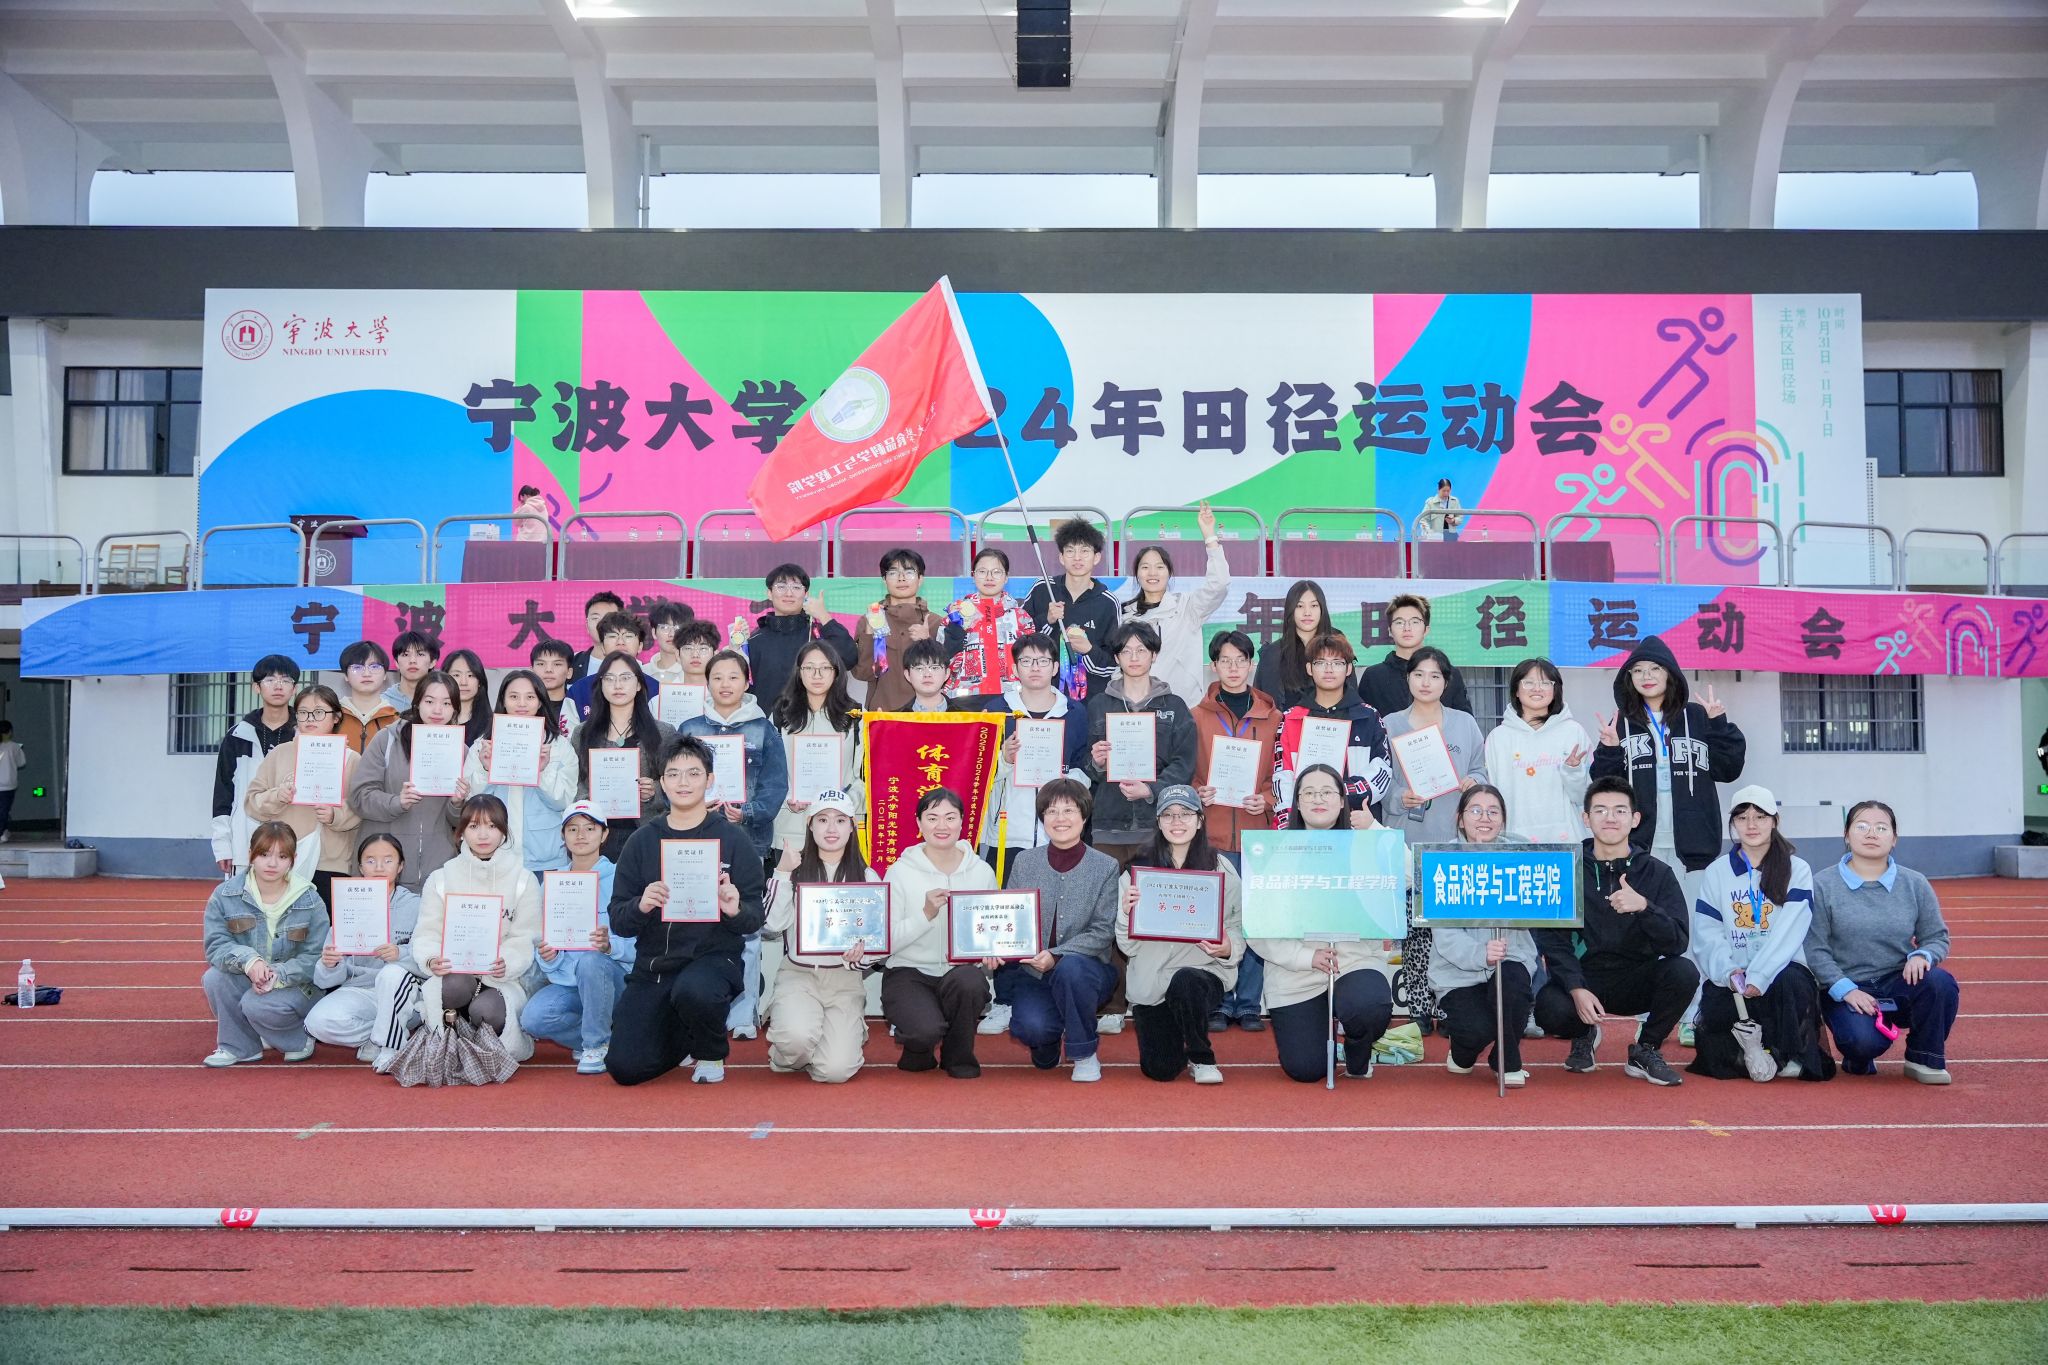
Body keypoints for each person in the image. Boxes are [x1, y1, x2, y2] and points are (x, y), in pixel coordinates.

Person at [606, 735, 767, 1086]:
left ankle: (710, 1051)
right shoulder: (642, 841)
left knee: (696, 990)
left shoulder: (733, 840)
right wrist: (641, 904)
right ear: (662, 783)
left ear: (710, 780)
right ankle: (683, 1036)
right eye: (673, 774)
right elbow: (619, 919)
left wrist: (735, 909)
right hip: (654, 968)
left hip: (713, 962)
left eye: (694, 773)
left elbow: (755, 917)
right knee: (625, 1068)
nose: (683, 782)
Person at [1534, 777, 1698, 1087]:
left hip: (1636, 979)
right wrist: (1575, 987)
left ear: (1635, 819)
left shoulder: (1658, 873)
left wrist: (1644, 907)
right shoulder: (1565, 870)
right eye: (1600, 810)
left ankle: (1645, 1048)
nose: (1610, 818)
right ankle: (1584, 1034)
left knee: (1683, 972)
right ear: (1586, 818)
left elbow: (1677, 941)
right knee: (1549, 1009)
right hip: (1585, 978)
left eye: (1620, 811)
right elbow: (1553, 942)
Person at [1249, 765, 1395, 1082]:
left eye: (1327, 792)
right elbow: (1258, 929)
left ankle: (1357, 1049)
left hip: (1354, 962)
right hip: (1295, 974)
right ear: (1297, 803)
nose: (1318, 799)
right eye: (1309, 793)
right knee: (1306, 1069)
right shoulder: (1274, 852)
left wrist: (1374, 828)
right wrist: (1306, 957)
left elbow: (1408, 875)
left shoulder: (1365, 844)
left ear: (1342, 800)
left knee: (1369, 1006)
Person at [680, 647, 791, 1040]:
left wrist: (745, 813)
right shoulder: (690, 727)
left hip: (748, 842)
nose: (725, 684)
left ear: (747, 682)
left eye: (733, 677)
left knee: (747, 931)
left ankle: (744, 1013)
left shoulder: (764, 729)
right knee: (695, 927)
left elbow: (776, 786)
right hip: (695, 843)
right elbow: (675, 780)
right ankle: (702, 1009)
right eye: (717, 677)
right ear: (707, 682)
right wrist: (695, 805)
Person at [1807, 800, 1958, 1084]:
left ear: (1894, 838)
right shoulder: (1822, 884)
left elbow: (1936, 937)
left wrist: (1922, 955)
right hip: (1847, 985)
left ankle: (1922, 1057)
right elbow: (1815, 949)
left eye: (1881, 828)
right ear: (1846, 835)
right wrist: (1846, 990)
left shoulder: (1915, 883)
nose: (1871, 834)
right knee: (1862, 1041)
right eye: (1862, 826)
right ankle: (1858, 1055)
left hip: (1897, 981)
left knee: (1940, 983)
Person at [1688, 786, 1832, 1083]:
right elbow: (1707, 931)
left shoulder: (1796, 869)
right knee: (1716, 1039)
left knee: (1791, 983)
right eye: (1742, 818)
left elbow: (1790, 931)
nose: (1751, 825)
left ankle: (1788, 1054)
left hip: (1780, 972)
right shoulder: (1717, 872)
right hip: (1735, 975)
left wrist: (1760, 975)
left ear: (1775, 821)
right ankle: (1753, 1054)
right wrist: (1728, 971)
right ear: (1733, 823)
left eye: (1760, 817)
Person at [1591, 634, 1746, 904]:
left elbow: (1728, 770)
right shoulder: (1620, 724)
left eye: (1655, 668)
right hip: (1639, 846)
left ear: (1670, 673)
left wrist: (1719, 725)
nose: (1646, 676)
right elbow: (1604, 788)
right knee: (1646, 920)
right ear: (1629, 678)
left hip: (1694, 848)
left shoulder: (1697, 716)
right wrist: (1610, 751)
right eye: (1638, 670)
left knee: (1696, 923)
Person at [1383, 645, 1487, 1034]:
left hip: (1454, 842)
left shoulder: (1464, 723)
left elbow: (1481, 769)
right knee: (1415, 930)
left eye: (1435, 676)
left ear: (1446, 682)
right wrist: (1400, 797)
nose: (1426, 682)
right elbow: (1380, 782)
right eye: (1418, 674)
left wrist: (1474, 781)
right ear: (1407, 679)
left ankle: (1449, 1004)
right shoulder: (1390, 724)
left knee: (1452, 927)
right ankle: (1419, 1006)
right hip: (1409, 840)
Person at [1116, 785, 1245, 1084]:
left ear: (1200, 820)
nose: (1177, 822)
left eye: (1185, 813)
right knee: (1160, 1070)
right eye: (1168, 815)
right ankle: (1177, 1033)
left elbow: (1239, 925)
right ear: (1158, 822)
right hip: (1152, 982)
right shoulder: (1137, 871)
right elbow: (1127, 947)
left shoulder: (1220, 868)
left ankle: (1201, 1056)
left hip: (1201, 973)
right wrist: (1125, 914)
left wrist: (1229, 947)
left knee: (1186, 981)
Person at [1001, 778, 1122, 1082]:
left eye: (1069, 810)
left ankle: (1084, 1052)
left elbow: (1102, 931)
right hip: (1033, 972)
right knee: (1032, 1029)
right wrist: (995, 947)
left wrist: (1055, 955)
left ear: (1084, 816)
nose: (1060, 818)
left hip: (1087, 971)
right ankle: (1050, 1038)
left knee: (1071, 970)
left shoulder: (1105, 866)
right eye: (1051, 811)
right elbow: (1009, 918)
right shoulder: (1025, 861)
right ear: (1042, 818)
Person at [408, 794, 543, 1067]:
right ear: (461, 832)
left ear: (504, 831)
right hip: (455, 973)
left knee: (486, 1011)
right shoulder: (441, 878)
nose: (483, 835)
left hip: (502, 979)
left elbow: (525, 936)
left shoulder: (523, 879)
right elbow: (427, 932)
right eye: (473, 826)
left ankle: (482, 1044)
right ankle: (451, 1040)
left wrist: (507, 962)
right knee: (454, 986)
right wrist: (432, 959)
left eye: (492, 826)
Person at [1191, 630, 1279, 1032]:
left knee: (1255, 919)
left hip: (1256, 834)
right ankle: (1218, 1002)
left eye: (1240, 660)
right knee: (1216, 919)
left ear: (1251, 664)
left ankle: (1248, 1004)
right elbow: (1185, 772)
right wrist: (1197, 792)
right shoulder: (1196, 716)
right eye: (1224, 660)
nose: (1233, 667)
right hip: (1212, 835)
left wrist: (1267, 799)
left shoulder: (1274, 717)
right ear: (1213, 665)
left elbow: (1283, 774)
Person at [762, 790, 880, 1084]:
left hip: (844, 981)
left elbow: (877, 943)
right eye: (823, 820)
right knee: (795, 1041)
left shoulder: (867, 877)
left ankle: (829, 1038)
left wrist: (862, 955)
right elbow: (772, 925)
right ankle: (788, 1047)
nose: (831, 828)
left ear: (852, 827)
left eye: (840, 820)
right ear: (810, 825)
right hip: (798, 975)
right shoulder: (794, 869)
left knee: (835, 1071)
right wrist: (781, 873)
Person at [881, 786, 998, 1077]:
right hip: (909, 972)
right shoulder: (899, 872)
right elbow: (886, 941)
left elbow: (993, 928)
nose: (942, 826)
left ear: (962, 822)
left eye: (950, 817)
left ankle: (958, 1056)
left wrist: (992, 952)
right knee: (923, 1031)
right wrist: (925, 915)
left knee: (970, 982)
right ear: (919, 824)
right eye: (932, 818)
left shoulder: (982, 871)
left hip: (959, 973)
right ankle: (918, 1044)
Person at [199, 821, 329, 1067]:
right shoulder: (224, 895)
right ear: (251, 855)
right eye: (264, 854)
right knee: (215, 978)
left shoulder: (310, 900)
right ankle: (240, 1047)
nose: (272, 863)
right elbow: (216, 945)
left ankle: (297, 1039)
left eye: (282, 856)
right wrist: (249, 961)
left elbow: (316, 957)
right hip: (248, 976)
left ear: (293, 859)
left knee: (256, 1004)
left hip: (297, 985)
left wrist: (277, 975)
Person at [1430, 785, 1535, 1087]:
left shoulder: (1522, 855)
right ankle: (1461, 1052)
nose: (1484, 818)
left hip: (1509, 957)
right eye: (1475, 811)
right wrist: (1480, 954)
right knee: (1477, 1029)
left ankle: (1506, 1060)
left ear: (1503, 819)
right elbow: (1445, 936)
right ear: (1460, 819)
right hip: (1458, 973)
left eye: (1493, 811)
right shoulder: (1442, 860)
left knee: (1513, 983)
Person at [519, 802, 630, 1076]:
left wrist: (610, 946)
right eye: (572, 829)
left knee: (592, 960)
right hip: (569, 984)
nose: (580, 835)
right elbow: (543, 941)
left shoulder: (622, 878)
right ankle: (608, 1039)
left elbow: (639, 944)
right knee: (533, 1019)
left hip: (614, 981)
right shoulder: (552, 883)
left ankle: (595, 1045)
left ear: (604, 835)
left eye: (590, 829)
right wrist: (550, 957)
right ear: (563, 836)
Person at [304, 832, 423, 1061]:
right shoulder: (348, 903)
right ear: (360, 867)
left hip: (405, 995)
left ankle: (389, 1038)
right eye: (370, 860)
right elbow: (325, 979)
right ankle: (381, 1035)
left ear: (400, 866)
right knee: (318, 1023)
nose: (379, 867)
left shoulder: (417, 905)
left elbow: (430, 956)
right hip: (360, 990)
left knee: (391, 973)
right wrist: (330, 963)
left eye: (388, 860)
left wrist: (400, 953)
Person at [346, 671, 469, 892]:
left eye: (446, 703)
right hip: (383, 866)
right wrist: (397, 802)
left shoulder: (461, 751)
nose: (437, 710)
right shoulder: (387, 739)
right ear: (417, 703)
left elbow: (460, 822)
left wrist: (457, 804)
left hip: (436, 868)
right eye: (429, 701)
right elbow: (359, 797)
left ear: (455, 709)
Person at [1084, 620, 1197, 860]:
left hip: (1157, 824)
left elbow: (1184, 763)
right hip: (1108, 826)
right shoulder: (1098, 705)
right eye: (1126, 651)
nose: (1134, 658)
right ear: (1117, 658)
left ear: (1153, 655)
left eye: (1141, 650)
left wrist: (1150, 789)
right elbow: (1085, 763)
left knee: (1153, 884)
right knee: (1107, 885)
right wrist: (1097, 763)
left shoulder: (1174, 706)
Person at [243, 683, 362, 907]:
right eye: (303, 712)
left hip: (331, 862)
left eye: (319, 712)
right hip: (284, 858)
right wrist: (278, 795)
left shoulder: (352, 759)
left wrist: (335, 815)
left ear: (336, 717)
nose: (310, 719)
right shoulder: (280, 754)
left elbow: (360, 807)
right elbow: (251, 802)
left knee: (326, 925)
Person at [1270, 631, 1392, 829]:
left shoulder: (1369, 717)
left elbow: (1382, 771)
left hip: (1356, 822)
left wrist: (1336, 793)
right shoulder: (1291, 718)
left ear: (1349, 668)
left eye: (1337, 663)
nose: (1329, 669)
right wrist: (1289, 825)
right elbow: (1282, 775)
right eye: (1320, 663)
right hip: (1304, 828)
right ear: (1309, 668)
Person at [463, 669, 578, 873]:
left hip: (544, 858)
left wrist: (542, 772)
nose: (522, 704)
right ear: (503, 701)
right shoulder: (483, 745)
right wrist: (486, 769)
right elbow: (470, 801)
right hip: (494, 858)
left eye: (530, 697)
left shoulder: (559, 746)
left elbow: (564, 801)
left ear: (540, 702)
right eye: (514, 697)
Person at [1119, 502, 1233, 705]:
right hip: (1136, 708)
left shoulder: (1187, 607)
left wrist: (1210, 536)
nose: (1152, 573)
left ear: (1169, 572)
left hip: (1182, 706)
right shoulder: (1125, 615)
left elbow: (1219, 585)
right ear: (1136, 574)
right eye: (1145, 567)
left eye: (1159, 567)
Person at [572, 652, 676, 862]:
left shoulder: (663, 732)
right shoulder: (583, 733)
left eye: (625, 678)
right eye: (609, 678)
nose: (617, 685)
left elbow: (676, 780)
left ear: (638, 685)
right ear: (601, 685)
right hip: (596, 835)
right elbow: (575, 782)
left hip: (647, 833)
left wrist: (654, 790)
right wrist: (587, 801)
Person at [768, 640, 864, 864]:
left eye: (825, 668)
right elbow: (769, 771)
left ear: (836, 672)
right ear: (799, 672)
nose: (817, 675)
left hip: (840, 830)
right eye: (809, 668)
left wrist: (842, 801)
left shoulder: (856, 716)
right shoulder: (781, 715)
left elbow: (866, 775)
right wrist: (786, 797)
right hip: (791, 828)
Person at [1484, 657, 1591, 844]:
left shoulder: (1573, 732)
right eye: (1528, 682)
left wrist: (1573, 771)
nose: (1537, 688)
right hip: (1514, 841)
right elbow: (1493, 794)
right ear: (1516, 691)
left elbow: (1584, 796)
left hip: (1567, 842)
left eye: (1545, 683)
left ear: (1555, 690)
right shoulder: (1498, 737)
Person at [210, 654, 299, 874]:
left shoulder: (304, 735)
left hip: (295, 839)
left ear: (294, 689)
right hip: (245, 837)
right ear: (256, 687)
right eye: (270, 680)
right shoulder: (237, 735)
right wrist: (222, 844)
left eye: (285, 680)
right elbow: (223, 793)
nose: (278, 686)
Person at [730, 562, 856, 707]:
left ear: (806, 594)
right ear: (769, 593)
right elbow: (737, 684)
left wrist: (824, 616)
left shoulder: (818, 635)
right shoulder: (754, 640)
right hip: (766, 719)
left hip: (812, 718)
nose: (789, 593)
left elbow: (849, 658)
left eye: (796, 587)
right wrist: (735, 649)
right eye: (781, 587)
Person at [1023, 519, 1119, 701]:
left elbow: (1113, 664)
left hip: (1090, 701)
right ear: (1061, 557)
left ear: (1097, 557)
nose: (1077, 558)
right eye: (1070, 551)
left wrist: (1088, 650)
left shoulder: (1108, 602)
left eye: (1084, 551)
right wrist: (1046, 620)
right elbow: (1018, 638)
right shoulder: (1042, 588)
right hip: (1040, 698)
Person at [852, 547, 946, 712]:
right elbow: (863, 674)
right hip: (883, 713)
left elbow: (948, 676)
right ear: (884, 580)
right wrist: (868, 634)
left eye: (909, 572)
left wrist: (928, 642)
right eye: (893, 573)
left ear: (920, 579)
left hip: (927, 714)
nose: (901, 578)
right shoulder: (870, 620)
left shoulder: (935, 622)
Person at [942, 547, 1039, 701]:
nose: (989, 577)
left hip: (1012, 697)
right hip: (966, 698)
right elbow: (942, 659)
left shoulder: (1021, 617)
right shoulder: (956, 614)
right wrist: (955, 626)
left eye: (996, 572)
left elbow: (1031, 660)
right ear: (973, 576)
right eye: (982, 571)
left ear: (1006, 577)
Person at [1357, 594, 1474, 718]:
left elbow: (1464, 721)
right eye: (1399, 622)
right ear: (1390, 631)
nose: (1407, 628)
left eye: (1414, 622)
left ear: (1426, 630)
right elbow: (1363, 722)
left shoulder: (1448, 673)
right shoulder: (1373, 676)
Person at [1252, 580, 1331, 711]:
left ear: (1322, 609)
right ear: (1290, 610)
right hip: (1284, 723)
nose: (1307, 612)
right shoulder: (1272, 654)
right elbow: (1261, 703)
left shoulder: (1337, 650)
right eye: (1299, 606)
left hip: (1330, 722)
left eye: (1314, 605)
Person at [565, 611, 658, 718]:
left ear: (640, 646)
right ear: (603, 647)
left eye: (628, 636)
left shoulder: (656, 690)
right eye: (613, 636)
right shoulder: (579, 690)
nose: (620, 642)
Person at [335, 639, 400, 754]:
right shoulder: (333, 718)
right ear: (346, 675)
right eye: (357, 667)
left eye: (374, 667)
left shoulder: (396, 721)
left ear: (385, 674)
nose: (366, 674)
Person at [442, 647, 491, 750]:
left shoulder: (492, 725)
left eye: (470, 675)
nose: (463, 682)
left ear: (479, 681)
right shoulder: (434, 718)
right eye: (456, 675)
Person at [530, 638, 580, 737]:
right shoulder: (523, 706)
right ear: (532, 671)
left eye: (557, 664)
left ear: (569, 672)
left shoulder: (578, 706)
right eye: (541, 664)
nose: (548, 670)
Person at [570, 590, 625, 677]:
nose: (601, 623)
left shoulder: (636, 666)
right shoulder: (571, 663)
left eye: (608, 617)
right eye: (595, 618)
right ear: (587, 626)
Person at [384, 630, 441, 712]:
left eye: (420, 654)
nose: (412, 660)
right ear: (396, 662)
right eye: (405, 655)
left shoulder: (444, 701)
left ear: (432, 662)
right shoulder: (383, 703)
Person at [643, 600, 697, 686]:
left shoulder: (696, 673)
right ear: (654, 633)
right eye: (664, 627)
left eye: (678, 628)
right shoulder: (642, 673)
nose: (671, 634)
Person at [899, 638, 956, 712]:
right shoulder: (894, 718)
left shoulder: (966, 717)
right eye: (919, 668)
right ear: (907, 675)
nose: (927, 674)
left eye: (934, 668)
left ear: (947, 673)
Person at [1418, 477, 1464, 542]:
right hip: (1436, 537)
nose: (1446, 493)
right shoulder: (1431, 502)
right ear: (1438, 490)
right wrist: (1429, 532)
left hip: (1451, 536)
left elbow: (1460, 517)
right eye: (1444, 491)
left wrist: (1453, 520)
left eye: (1448, 491)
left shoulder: (1455, 501)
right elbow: (1423, 519)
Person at [0, 718, 22, 844]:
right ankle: (2, 831)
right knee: (4, 809)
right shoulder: (15, 747)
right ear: (10, 732)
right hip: (8, 784)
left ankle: (4, 830)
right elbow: (21, 762)